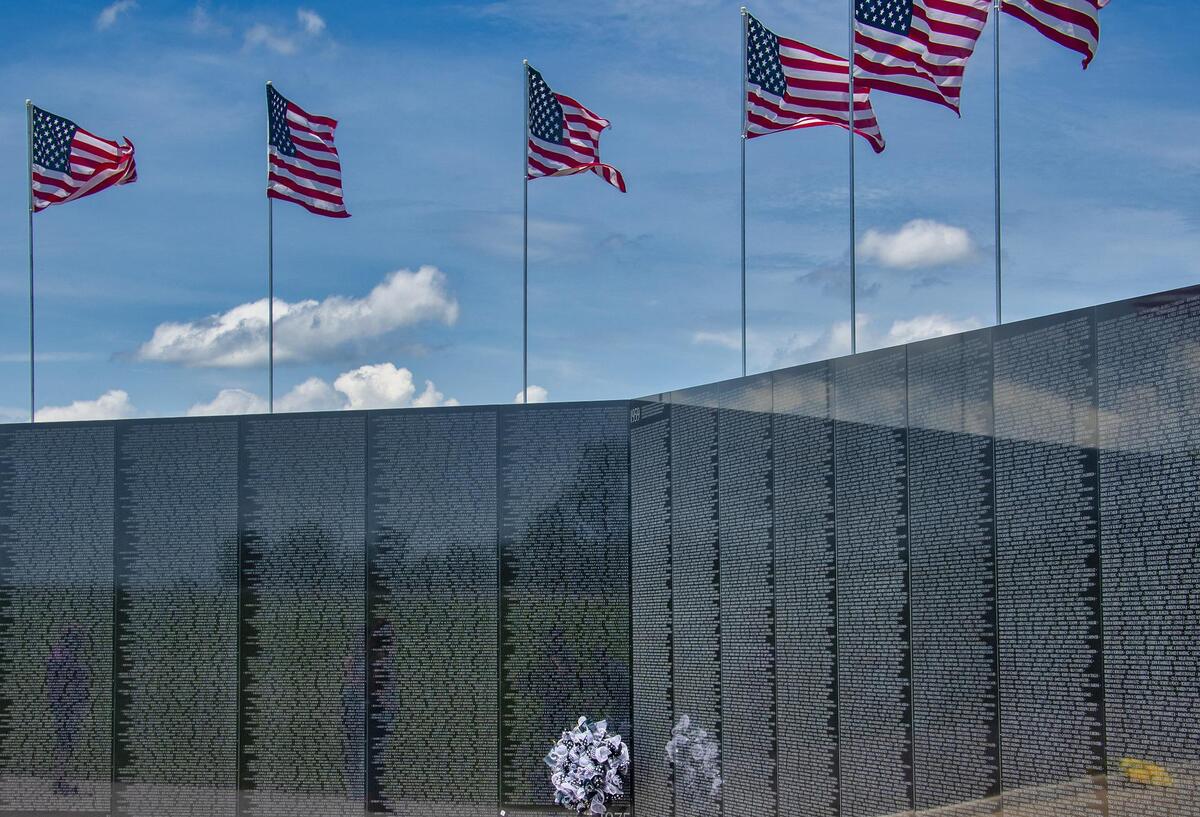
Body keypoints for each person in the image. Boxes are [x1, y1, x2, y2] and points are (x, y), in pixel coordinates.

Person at [47, 625, 90, 797]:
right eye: (78, 640)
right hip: (66, 706)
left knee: (66, 743)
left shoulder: (59, 655)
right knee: (65, 743)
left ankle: (61, 780)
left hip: (66, 705)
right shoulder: (62, 657)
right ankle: (60, 781)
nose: (80, 644)